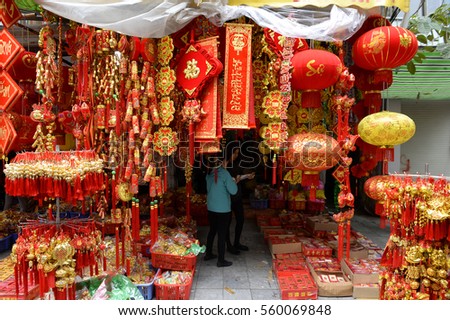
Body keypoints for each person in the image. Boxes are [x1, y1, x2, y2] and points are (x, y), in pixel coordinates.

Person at [204, 154, 238, 267]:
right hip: (223, 209)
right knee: (222, 234)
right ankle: (221, 260)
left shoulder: (209, 173)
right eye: (225, 161)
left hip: (211, 208)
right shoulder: (224, 174)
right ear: (221, 162)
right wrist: (234, 181)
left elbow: (209, 189)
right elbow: (233, 191)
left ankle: (208, 254)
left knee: (212, 231)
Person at [224, 142, 255, 255]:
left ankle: (236, 242)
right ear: (229, 153)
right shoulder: (224, 166)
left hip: (237, 195)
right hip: (227, 197)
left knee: (240, 219)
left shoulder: (236, 164)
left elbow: (237, 178)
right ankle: (228, 245)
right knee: (227, 222)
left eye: (237, 153)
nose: (236, 155)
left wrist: (247, 176)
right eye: (234, 153)